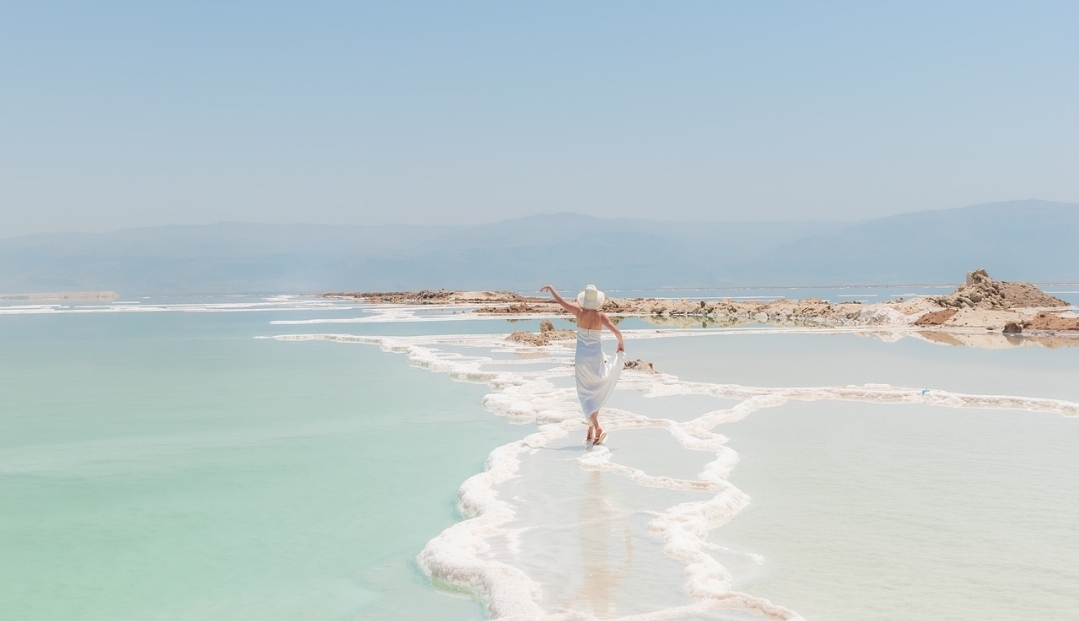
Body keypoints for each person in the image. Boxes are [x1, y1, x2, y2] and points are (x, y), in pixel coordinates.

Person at [540, 284, 625, 446]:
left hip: (581, 358)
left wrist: (551, 289)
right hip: (596, 358)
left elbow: (561, 302)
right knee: (595, 391)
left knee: (586, 394)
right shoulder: (601, 316)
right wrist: (621, 345)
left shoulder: (578, 312)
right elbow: (617, 333)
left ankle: (595, 428)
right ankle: (592, 428)